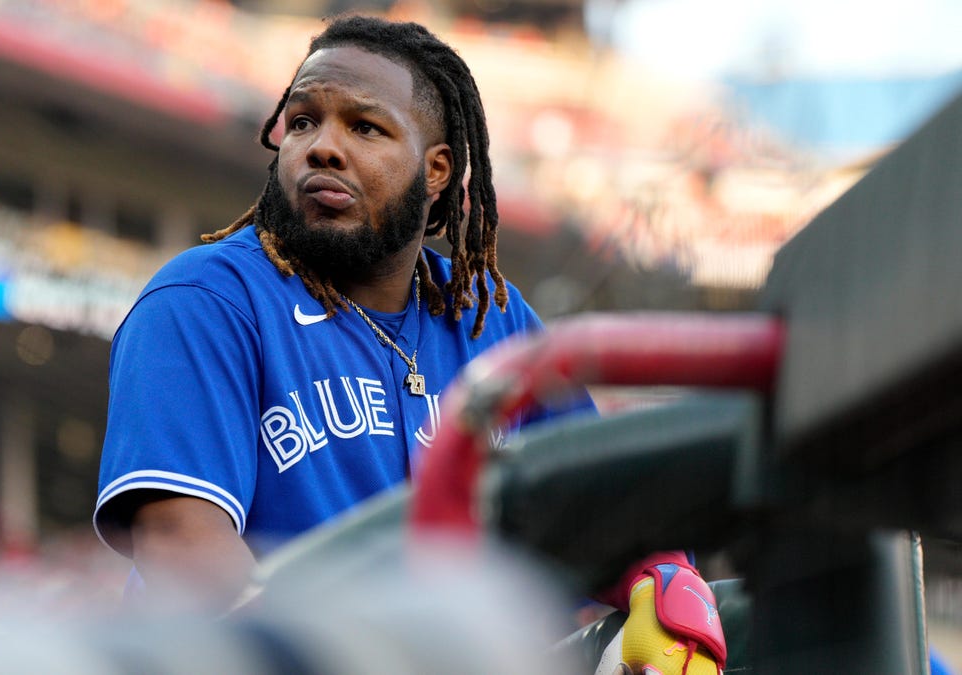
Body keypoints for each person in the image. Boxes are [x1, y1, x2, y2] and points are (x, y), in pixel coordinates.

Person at [93, 15, 725, 674]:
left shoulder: (495, 322)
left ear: (437, 172)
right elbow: (183, 553)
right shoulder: (204, 301)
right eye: (303, 121)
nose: (321, 147)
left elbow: (599, 512)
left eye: (364, 127)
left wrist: (663, 581)